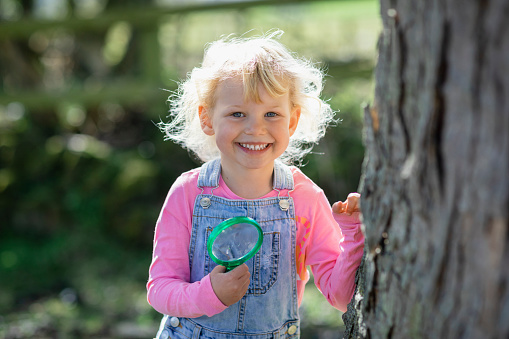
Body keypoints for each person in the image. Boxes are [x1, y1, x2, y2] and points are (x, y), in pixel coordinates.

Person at [147, 30, 365, 339]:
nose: (255, 128)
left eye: (272, 114)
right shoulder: (189, 194)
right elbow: (160, 290)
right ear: (208, 119)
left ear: (291, 121)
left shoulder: (304, 199)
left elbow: (340, 297)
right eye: (237, 113)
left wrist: (353, 234)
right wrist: (209, 294)